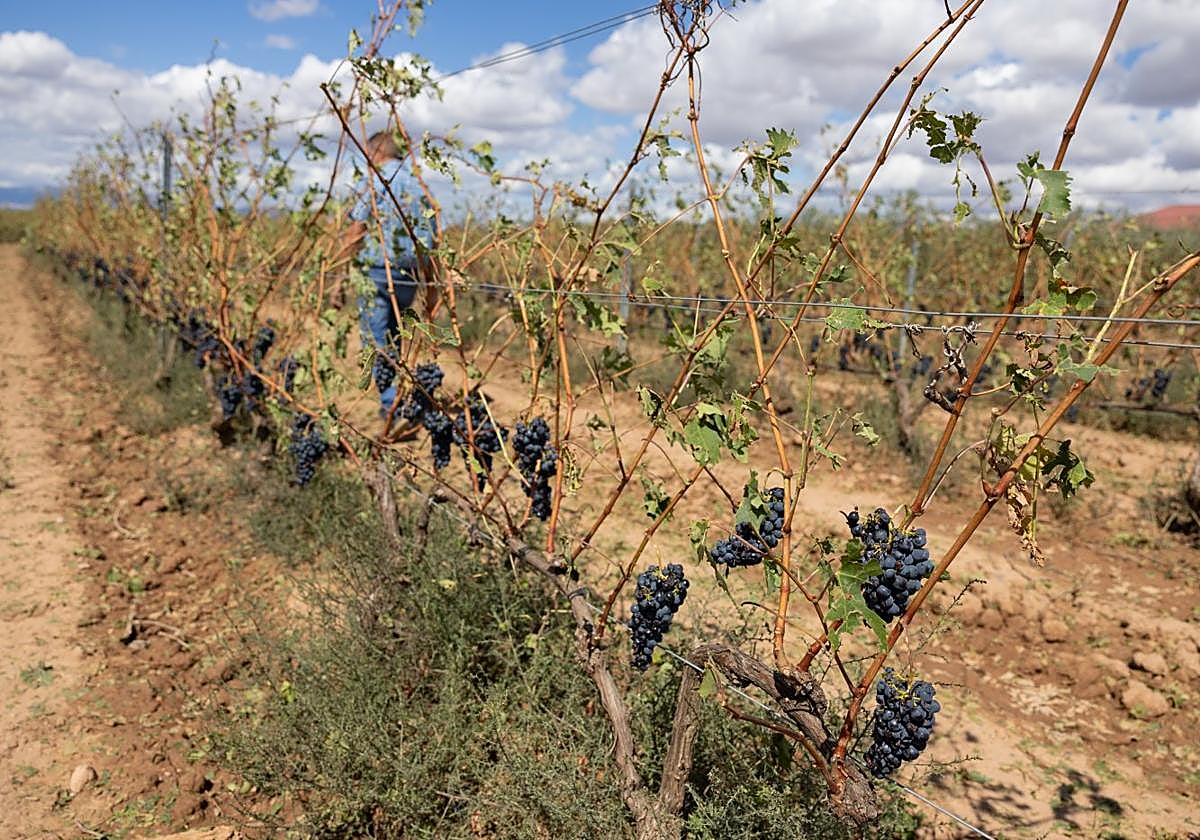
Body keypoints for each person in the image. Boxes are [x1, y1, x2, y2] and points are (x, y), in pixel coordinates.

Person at [345, 129, 428, 416]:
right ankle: (399, 396)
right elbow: (431, 234)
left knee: (376, 338)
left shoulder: (375, 180)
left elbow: (357, 228)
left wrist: (341, 269)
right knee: (395, 335)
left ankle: (391, 403)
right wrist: (430, 282)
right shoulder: (418, 184)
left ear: (376, 153)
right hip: (410, 274)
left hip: (377, 272)